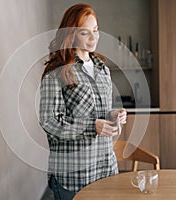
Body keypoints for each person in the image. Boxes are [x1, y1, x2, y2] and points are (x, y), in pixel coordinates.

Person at [39, 3, 127, 200]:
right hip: (75, 176)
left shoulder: (102, 69)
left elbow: (100, 111)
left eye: (95, 31)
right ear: (70, 34)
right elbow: (49, 122)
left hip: (106, 169)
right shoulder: (57, 73)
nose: (93, 37)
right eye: (85, 33)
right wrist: (91, 126)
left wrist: (113, 115)